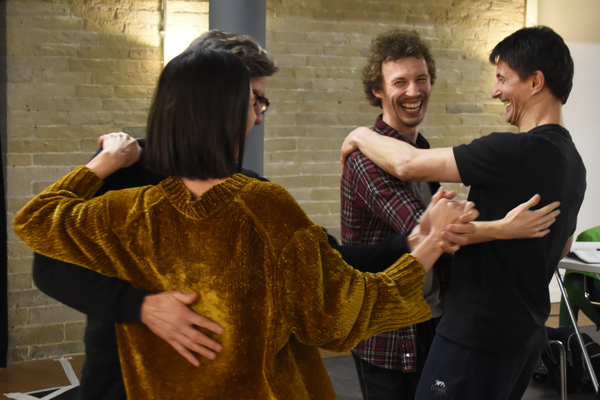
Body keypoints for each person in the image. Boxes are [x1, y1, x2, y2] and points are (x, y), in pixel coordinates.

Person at [14, 47, 479, 399]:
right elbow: (340, 314)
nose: (258, 117)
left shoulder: (131, 210)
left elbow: (35, 219)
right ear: (224, 111)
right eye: (254, 102)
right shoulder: (262, 205)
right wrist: (431, 243)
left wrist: (100, 164)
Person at [31, 29, 281, 400]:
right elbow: (51, 267)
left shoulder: (248, 188)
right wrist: (142, 306)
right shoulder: (125, 170)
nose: (258, 118)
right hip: (123, 382)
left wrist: (398, 246)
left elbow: (319, 257)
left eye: (262, 103)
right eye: (253, 101)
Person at [341, 25, 586, 400]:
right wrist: (503, 229)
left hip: (477, 335)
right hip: (457, 335)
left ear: (535, 82)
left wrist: (358, 133)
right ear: (378, 90)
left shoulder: (511, 152)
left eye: (503, 79)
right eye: (400, 81)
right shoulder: (574, 163)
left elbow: (411, 174)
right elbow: (564, 242)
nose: (495, 91)